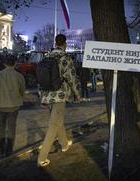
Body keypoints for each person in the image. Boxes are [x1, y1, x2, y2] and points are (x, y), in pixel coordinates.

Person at [37, 34, 80, 167]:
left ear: (55, 42)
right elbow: (72, 78)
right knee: (53, 126)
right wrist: (77, 94)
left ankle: (64, 144)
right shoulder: (65, 58)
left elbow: (40, 77)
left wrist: (41, 97)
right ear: (65, 43)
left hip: (47, 94)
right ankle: (41, 158)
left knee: (57, 121)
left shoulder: (46, 57)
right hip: (60, 95)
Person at [0, 55, 26, 157]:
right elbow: (22, 91)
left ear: (4, 64)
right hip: (14, 106)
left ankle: (2, 147)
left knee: (1, 128)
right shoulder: (19, 76)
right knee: (11, 128)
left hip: (0, 106)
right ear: (15, 63)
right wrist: (19, 98)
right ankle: (9, 150)